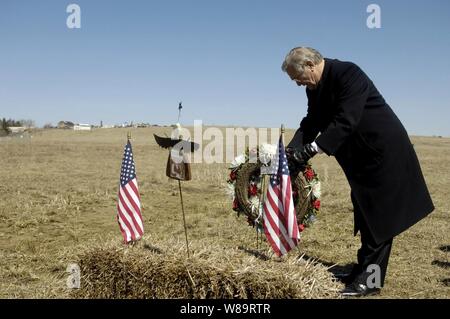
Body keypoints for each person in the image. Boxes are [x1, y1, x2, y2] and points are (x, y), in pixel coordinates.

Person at [282, 47, 434, 297]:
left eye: (296, 77)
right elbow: (312, 121)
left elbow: (346, 120)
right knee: (365, 210)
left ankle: (371, 280)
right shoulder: (314, 88)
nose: (297, 84)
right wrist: (291, 151)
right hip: (360, 159)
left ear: (310, 64)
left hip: (382, 152)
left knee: (380, 215)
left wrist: (310, 150)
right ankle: (362, 268)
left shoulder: (348, 73)